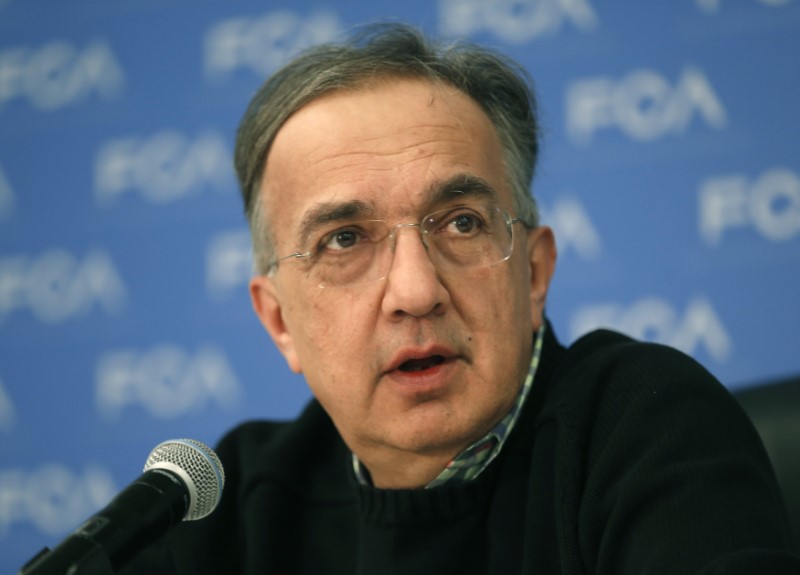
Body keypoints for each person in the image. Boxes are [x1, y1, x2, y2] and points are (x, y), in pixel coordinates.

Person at [123, 23, 800, 574]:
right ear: (280, 321)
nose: (415, 292)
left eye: (462, 222)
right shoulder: (232, 504)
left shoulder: (646, 426)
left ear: (533, 275)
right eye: (345, 239)